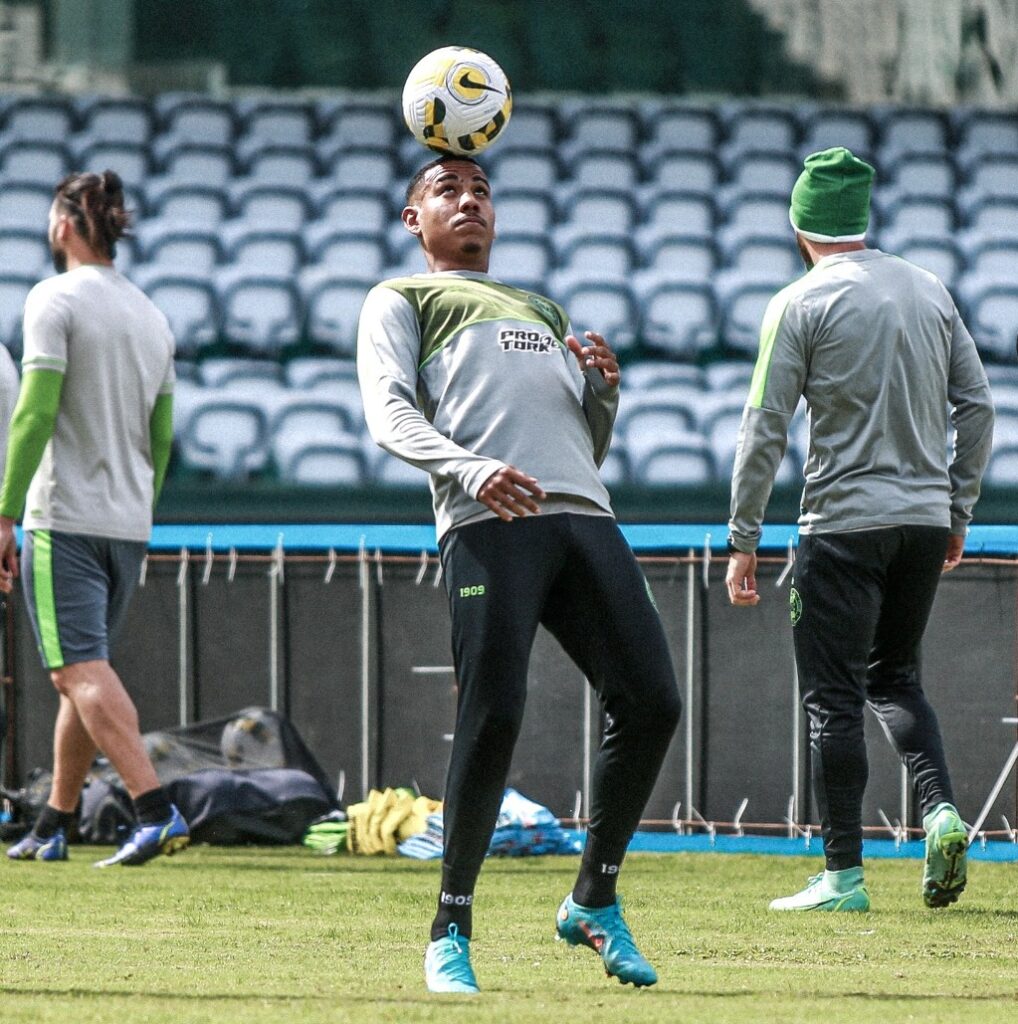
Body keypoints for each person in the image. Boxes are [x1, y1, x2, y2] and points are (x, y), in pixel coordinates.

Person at [357, 155, 681, 992]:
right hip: (488, 520)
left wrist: (603, 394)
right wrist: (467, 469)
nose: (469, 201)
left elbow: (583, 447)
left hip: (586, 514)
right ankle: (449, 927)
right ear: (411, 219)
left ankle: (593, 903)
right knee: (494, 711)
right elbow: (389, 412)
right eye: (446, 191)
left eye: (481, 191)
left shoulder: (543, 307)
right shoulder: (401, 299)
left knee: (653, 700)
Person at [726, 147, 994, 912]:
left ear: (799, 222)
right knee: (898, 678)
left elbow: (763, 429)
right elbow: (977, 409)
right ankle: (940, 809)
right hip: (921, 521)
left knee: (832, 699)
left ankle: (843, 876)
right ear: (863, 217)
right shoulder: (929, 288)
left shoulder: (799, 303)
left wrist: (743, 539)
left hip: (842, 525)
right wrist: (956, 510)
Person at [1, 170, 189, 867]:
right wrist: (139, 500)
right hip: (126, 522)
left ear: (62, 226)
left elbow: (36, 412)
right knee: (86, 674)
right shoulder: (151, 314)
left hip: (66, 516)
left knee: (75, 672)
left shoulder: (53, 299)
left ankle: (153, 808)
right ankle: (55, 820)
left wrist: (4, 513)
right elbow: (162, 435)